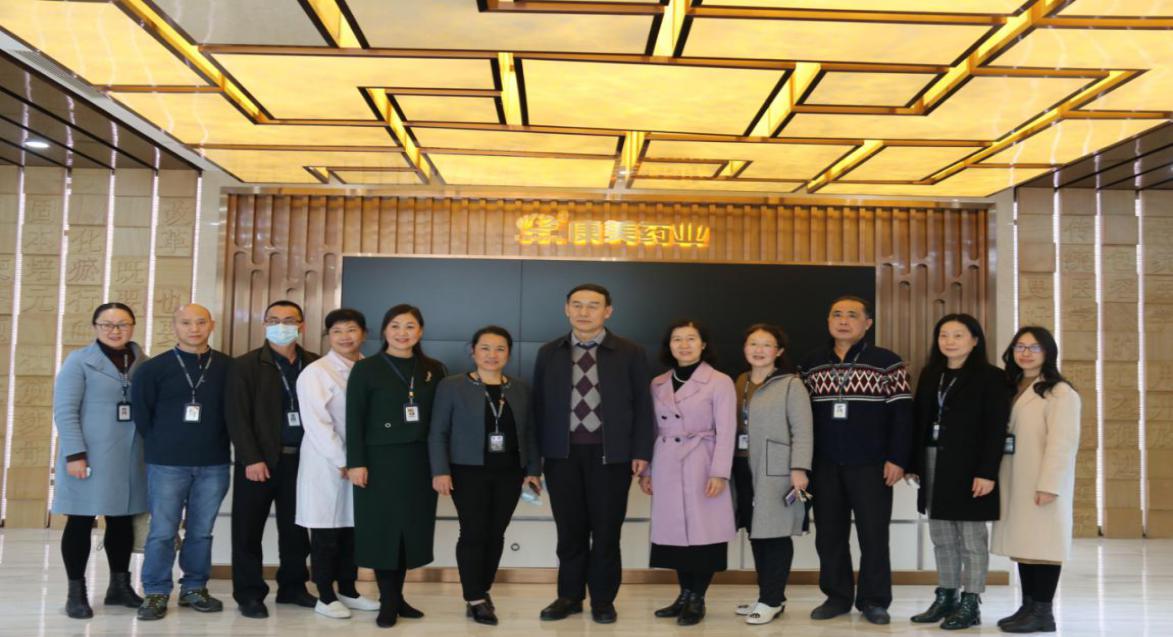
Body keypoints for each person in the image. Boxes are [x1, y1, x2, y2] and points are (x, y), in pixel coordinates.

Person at [532, 283, 654, 624]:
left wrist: (641, 451)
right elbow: (537, 407)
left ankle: (602, 600)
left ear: (608, 311)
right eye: (577, 305)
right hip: (561, 456)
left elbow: (643, 406)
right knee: (569, 530)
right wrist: (534, 459)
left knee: (606, 532)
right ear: (566, 309)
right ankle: (569, 596)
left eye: (593, 305)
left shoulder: (630, 352)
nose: (584, 312)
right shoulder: (549, 352)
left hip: (611, 456)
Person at [798, 295, 912, 625]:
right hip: (824, 464)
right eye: (837, 314)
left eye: (852, 315)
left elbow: (902, 415)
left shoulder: (888, 362)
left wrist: (897, 458)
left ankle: (874, 600)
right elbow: (799, 417)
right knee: (829, 535)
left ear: (867, 323)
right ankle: (837, 597)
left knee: (873, 536)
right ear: (828, 321)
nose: (843, 320)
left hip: (872, 465)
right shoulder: (811, 363)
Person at [429, 325, 542, 626]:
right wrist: (440, 470)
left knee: (496, 533)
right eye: (485, 348)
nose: (492, 355)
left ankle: (483, 589)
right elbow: (438, 432)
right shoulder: (452, 386)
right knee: (473, 532)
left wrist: (533, 470)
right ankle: (474, 597)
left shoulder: (519, 388)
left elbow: (530, 433)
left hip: (510, 473)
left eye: (500, 349)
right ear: (473, 351)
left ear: (509, 354)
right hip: (467, 472)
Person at [346, 304, 446, 628]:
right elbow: (354, 419)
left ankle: (397, 597)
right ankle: (387, 601)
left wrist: (441, 465)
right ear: (384, 331)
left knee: (408, 532)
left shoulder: (434, 369)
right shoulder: (366, 368)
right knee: (383, 531)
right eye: (395, 326)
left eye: (410, 326)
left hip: (420, 461)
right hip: (379, 461)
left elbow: (442, 421)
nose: (403, 333)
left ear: (421, 331)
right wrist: (356, 462)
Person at [130, 304, 233, 621]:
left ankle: (194, 588)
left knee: (201, 531)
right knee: (162, 531)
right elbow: (142, 416)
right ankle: (156, 592)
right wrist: (166, 445)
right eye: (186, 323)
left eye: (201, 322)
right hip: (167, 464)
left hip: (214, 463)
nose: (194, 329)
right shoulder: (153, 369)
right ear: (174, 326)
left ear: (211, 325)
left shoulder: (229, 367)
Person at [908, 314, 1010, 630]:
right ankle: (946, 596)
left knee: (971, 539)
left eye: (958, 335)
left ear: (975, 340)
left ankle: (971, 601)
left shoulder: (992, 377)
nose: (949, 341)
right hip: (933, 462)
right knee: (941, 537)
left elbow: (996, 429)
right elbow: (919, 420)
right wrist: (915, 464)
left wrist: (987, 472)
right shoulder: (931, 373)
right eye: (944, 335)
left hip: (970, 467)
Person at [52, 302, 147, 619]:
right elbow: (65, 410)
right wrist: (74, 454)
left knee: (121, 520)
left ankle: (119, 586)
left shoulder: (143, 362)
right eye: (107, 324)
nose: (115, 330)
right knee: (81, 520)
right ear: (95, 327)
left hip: (130, 455)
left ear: (132, 326)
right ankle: (76, 592)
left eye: (122, 324)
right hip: (88, 456)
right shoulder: (79, 361)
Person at [226, 300, 319, 618]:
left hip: (303, 461)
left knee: (296, 530)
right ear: (264, 324)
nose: (282, 326)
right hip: (259, 462)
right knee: (247, 530)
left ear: (301, 325)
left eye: (289, 320)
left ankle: (293, 586)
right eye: (274, 320)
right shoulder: (245, 365)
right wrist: (251, 458)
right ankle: (249, 593)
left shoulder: (314, 364)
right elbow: (237, 417)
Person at [641, 319, 736, 626]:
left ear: (703, 344)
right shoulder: (657, 383)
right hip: (667, 461)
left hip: (703, 461)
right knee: (675, 535)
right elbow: (652, 430)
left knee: (704, 533)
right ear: (669, 346)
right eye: (677, 339)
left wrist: (720, 472)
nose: (684, 345)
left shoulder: (719, 381)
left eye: (691, 338)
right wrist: (647, 470)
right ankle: (683, 594)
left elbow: (727, 430)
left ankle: (698, 598)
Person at [991, 326, 1080, 634]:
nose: (1025, 353)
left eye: (1034, 347)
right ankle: (1028, 606)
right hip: (1016, 476)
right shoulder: (1012, 386)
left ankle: (1043, 612)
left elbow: (1062, 443)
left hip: (1042, 481)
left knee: (1044, 547)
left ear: (1048, 353)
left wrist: (1049, 485)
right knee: (1025, 545)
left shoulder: (1060, 392)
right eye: (1020, 346)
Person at [295, 308, 380, 619]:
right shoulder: (316, 372)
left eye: (352, 330)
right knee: (326, 532)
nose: (345, 337)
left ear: (364, 334)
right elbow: (317, 423)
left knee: (352, 531)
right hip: (327, 463)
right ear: (328, 336)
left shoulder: (371, 369)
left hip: (361, 463)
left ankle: (348, 590)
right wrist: (344, 460)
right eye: (337, 331)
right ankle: (326, 595)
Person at [731, 323, 812, 625]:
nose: (759, 350)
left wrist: (799, 468)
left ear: (778, 351)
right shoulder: (740, 381)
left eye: (766, 345)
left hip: (777, 470)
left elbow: (803, 430)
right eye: (753, 344)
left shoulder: (791, 384)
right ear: (745, 348)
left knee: (775, 534)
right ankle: (767, 594)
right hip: (742, 466)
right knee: (756, 531)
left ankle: (772, 600)